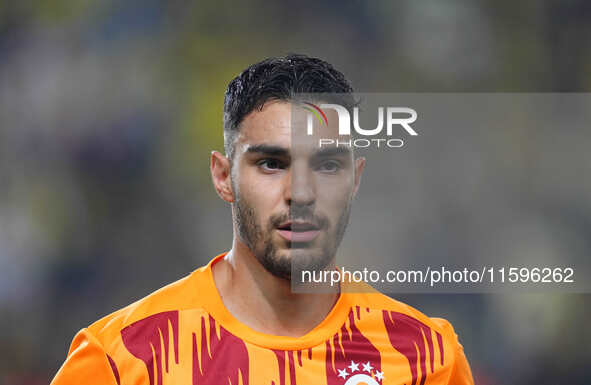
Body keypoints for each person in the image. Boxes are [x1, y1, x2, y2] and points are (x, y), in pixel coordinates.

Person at [51, 54, 474, 385]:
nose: (301, 192)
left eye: (327, 165)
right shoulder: (124, 359)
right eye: (272, 163)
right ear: (223, 176)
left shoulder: (425, 358)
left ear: (355, 180)